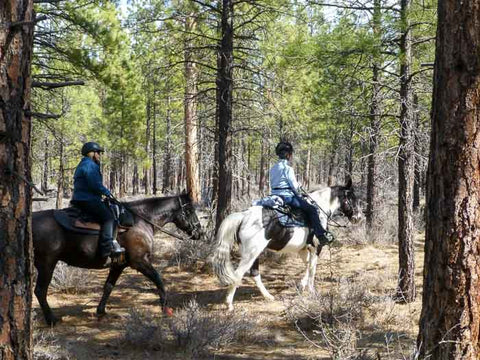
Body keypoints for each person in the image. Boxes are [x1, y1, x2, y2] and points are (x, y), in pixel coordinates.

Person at [269, 141, 333, 246]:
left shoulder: (273, 168)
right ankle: (321, 235)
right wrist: (301, 192)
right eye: (290, 154)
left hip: (274, 196)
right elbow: (294, 186)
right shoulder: (288, 169)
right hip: (287, 197)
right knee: (312, 210)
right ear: (288, 155)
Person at [71, 142, 124, 265]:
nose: (99, 155)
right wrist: (108, 193)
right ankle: (106, 250)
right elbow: (95, 185)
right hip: (87, 200)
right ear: (92, 153)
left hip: (81, 199)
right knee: (109, 218)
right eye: (98, 153)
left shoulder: (84, 164)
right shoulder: (90, 165)